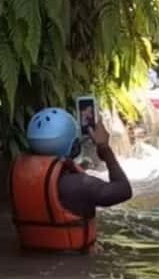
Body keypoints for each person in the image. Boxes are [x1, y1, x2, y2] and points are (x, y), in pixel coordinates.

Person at [14, 107, 132, 252]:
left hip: (31, 260)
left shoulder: (15, 179)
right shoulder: (80, 185)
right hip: (76, 261)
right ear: (75, 147)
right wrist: (104, 148)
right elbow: (124, 190)